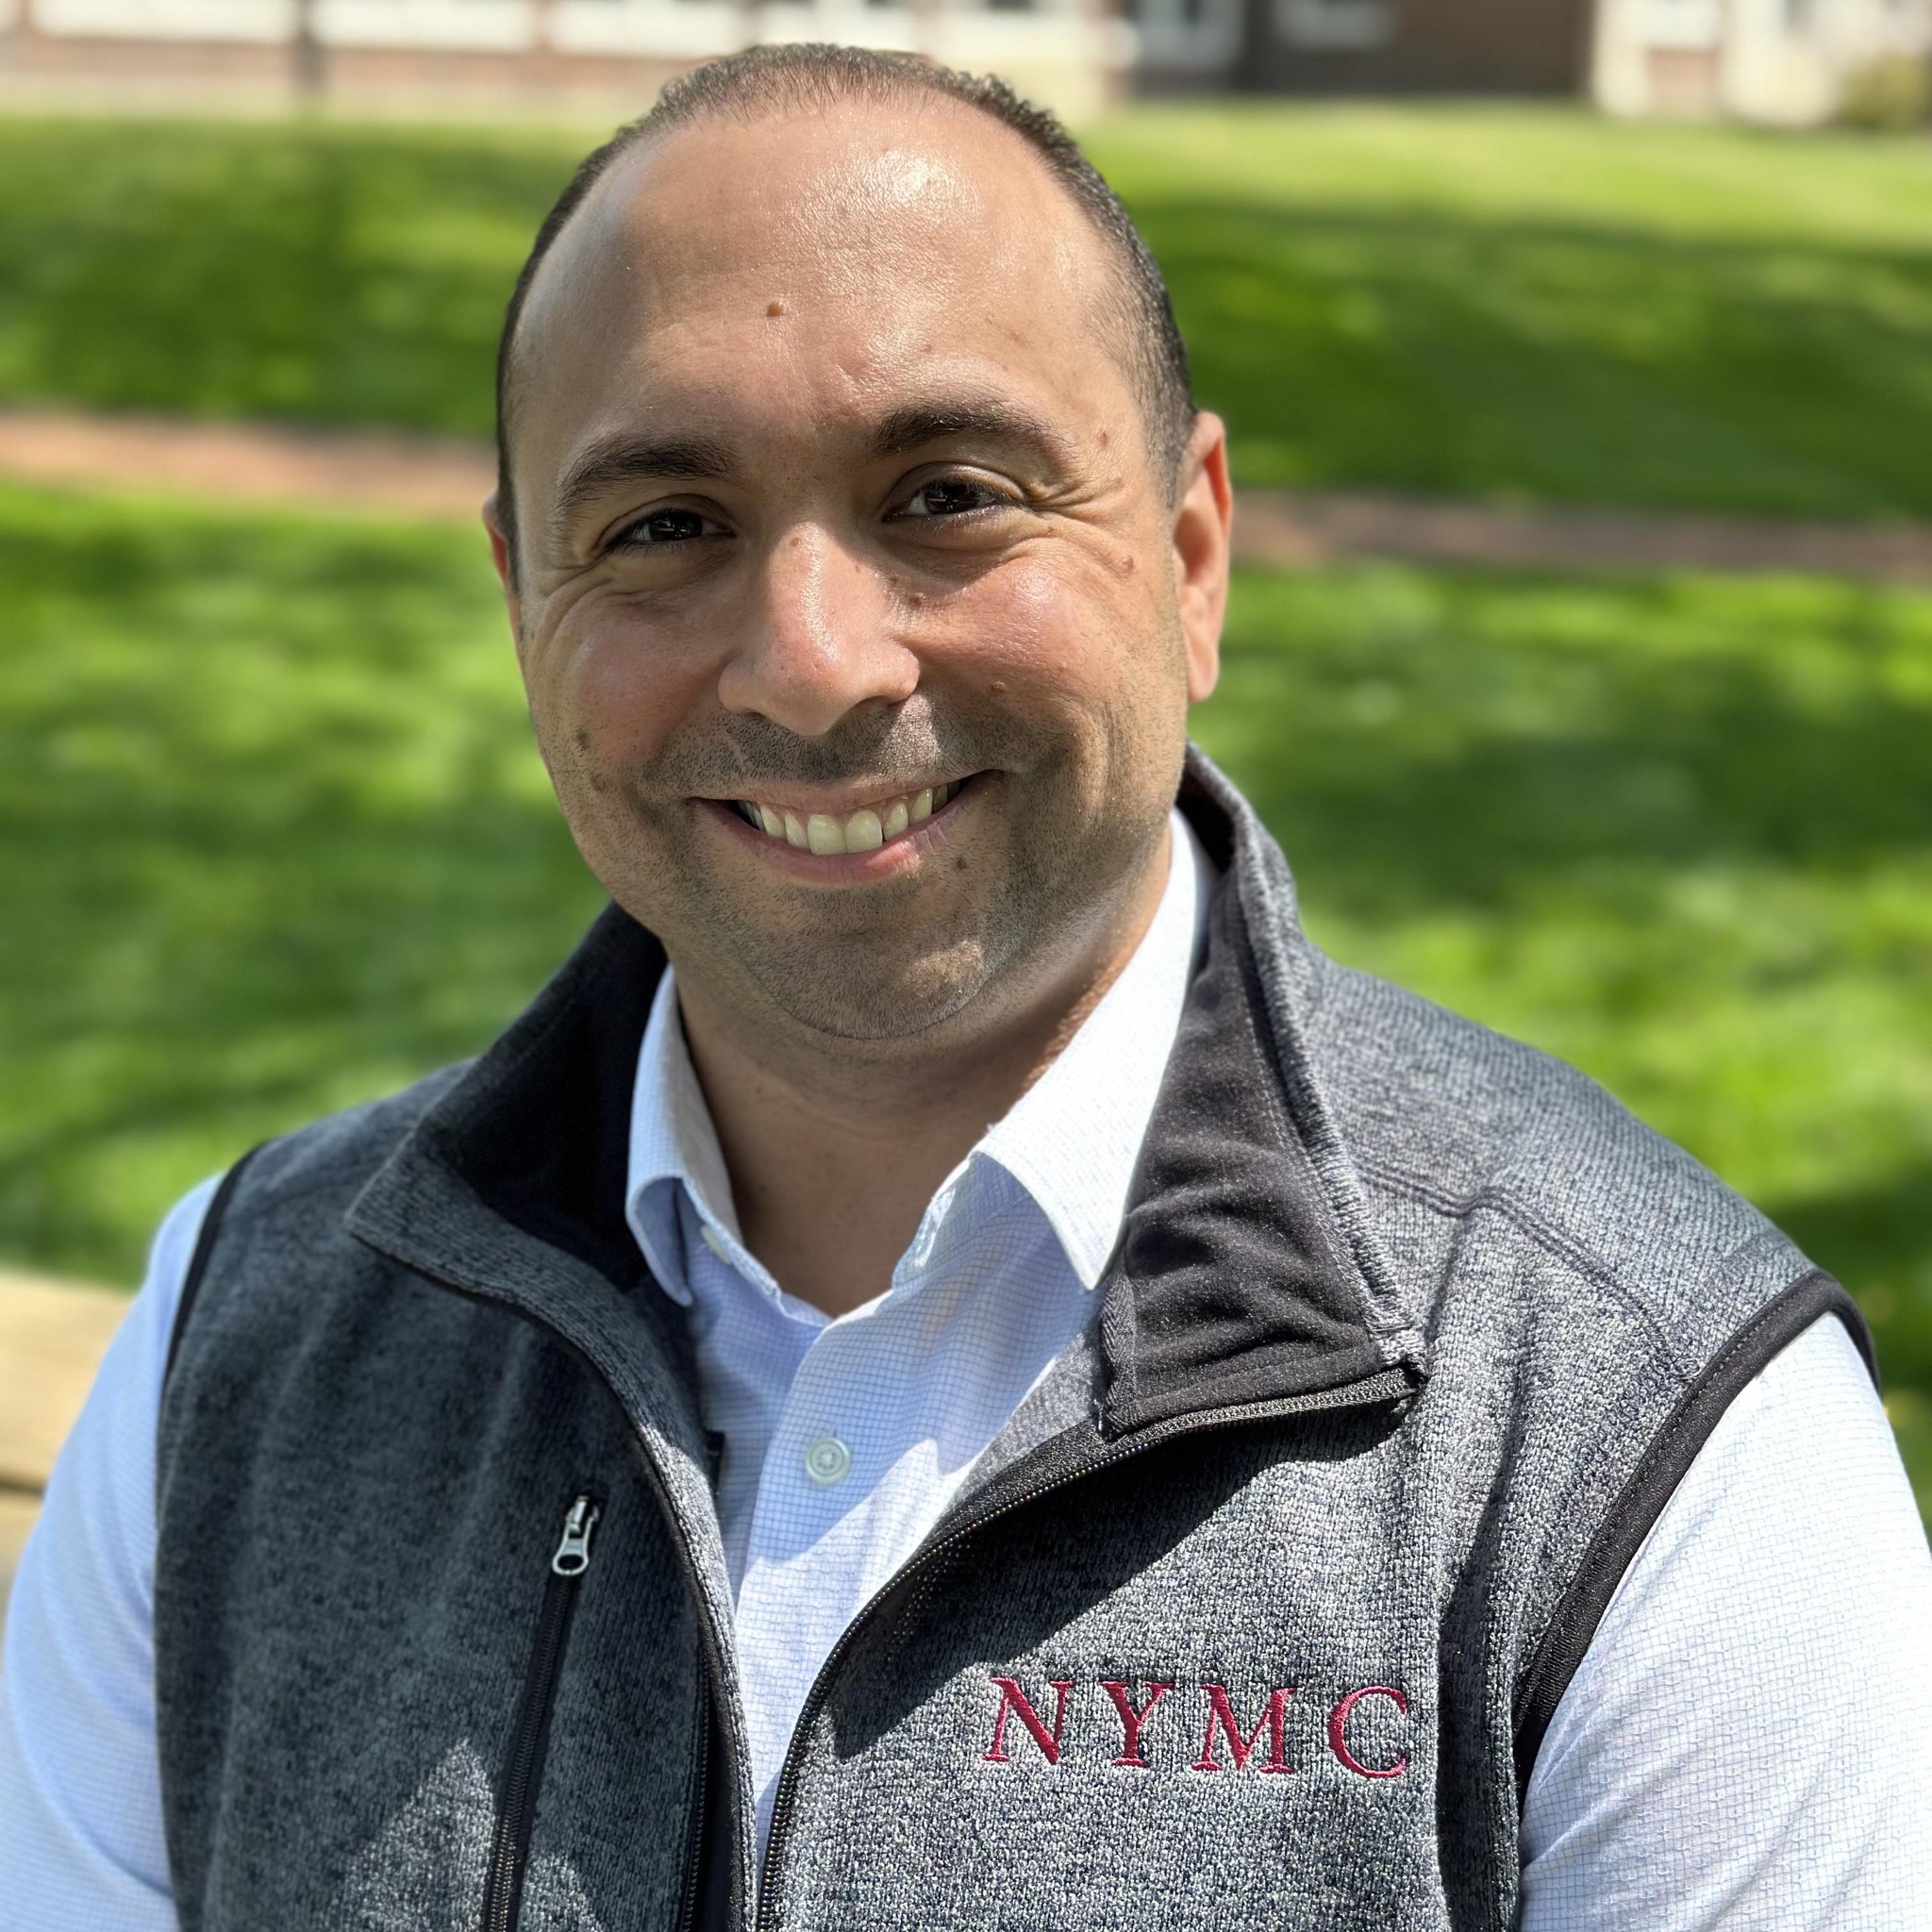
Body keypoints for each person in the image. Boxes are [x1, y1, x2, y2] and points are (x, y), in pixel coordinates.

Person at [2, 43, 1928, 1931]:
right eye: (665, 526)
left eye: (948, 493)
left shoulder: (1645, 1439)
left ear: (1189, 553)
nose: (812, 662)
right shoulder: (238, 1336)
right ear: (522, 599)